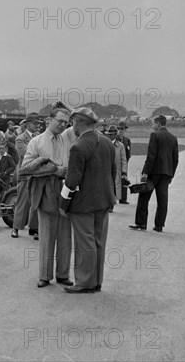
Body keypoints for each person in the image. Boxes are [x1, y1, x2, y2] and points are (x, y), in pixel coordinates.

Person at [60, 107, 116, 294]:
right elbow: (112, 172)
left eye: (73, 122)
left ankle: (84, 282)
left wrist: (63, 203)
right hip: (104, 200)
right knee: (99, 241)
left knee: (85, 243)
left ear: (79, 123)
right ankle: (96, 281)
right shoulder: (107, 142)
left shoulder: (78, 146)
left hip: (83, 203)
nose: (72, 126)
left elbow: (72, 180)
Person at [22, 107, 75, 288]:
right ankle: (44, 275)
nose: (62, 125)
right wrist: (52, 169)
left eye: (65, 122)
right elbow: (26, 169)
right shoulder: (36, 142)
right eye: (59, 121)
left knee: (65, 236)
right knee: (46, 235)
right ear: (48, 120)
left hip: (66, 190)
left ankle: (63, 274)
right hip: (45, 190)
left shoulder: (67, 138)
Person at [129, 115, 178, 232]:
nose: (152, 126)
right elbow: (175, 159)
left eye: (153, 123)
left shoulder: (154, 135)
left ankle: (141, 223)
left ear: (159, 124)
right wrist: (171, 174)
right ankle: (159, 225)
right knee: (162, 200)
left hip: (153, 172)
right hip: (166, 173)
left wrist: (145, 172)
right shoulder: (173, 137)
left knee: (144, 197)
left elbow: (151, 156)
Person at [12, 112, 42, 239]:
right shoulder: (20, 138)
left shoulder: (40, 137)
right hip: (25, 174)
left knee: (36, 202)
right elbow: (26, 154)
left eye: (38, 124)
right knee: (22, 202)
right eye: (35, 123)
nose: (37, 126)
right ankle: (16, 228)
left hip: (36, 174)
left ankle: (33, 227)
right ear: (27, 124)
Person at [104, 125, 127, 212]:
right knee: (106, 187)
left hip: (116, 170)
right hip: (106, 168)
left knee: (113, 187)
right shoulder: (105, 143)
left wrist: (124, 172)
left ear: (115, 135)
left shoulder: (120, 146)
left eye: (111, 134)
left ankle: (111, 205)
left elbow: (123, 159)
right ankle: (107, 204)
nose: (109, 136)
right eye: (108, 134)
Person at [117, 121, 132, 204]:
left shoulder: (127, 140)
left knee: (124, 179)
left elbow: (128, 153)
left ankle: (123, 199)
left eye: (122, 129)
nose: (120, 131)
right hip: (116, 163)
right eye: (119, 129)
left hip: (124, 163)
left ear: (125, 130)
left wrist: (125, 163)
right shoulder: (115, 139)